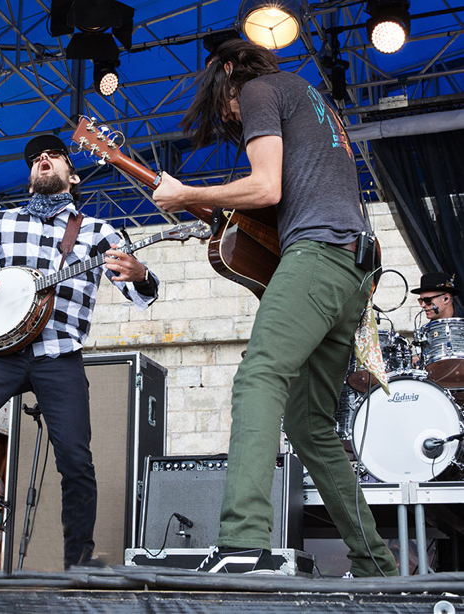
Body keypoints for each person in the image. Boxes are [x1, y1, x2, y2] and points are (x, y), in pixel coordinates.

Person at [152, 39, 397, 577]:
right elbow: (285, 201)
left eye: (224, 108)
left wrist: (189, 191)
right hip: (354, 275)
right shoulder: (313, 102)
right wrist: (218, 216)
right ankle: (376, 566)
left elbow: (265, 186)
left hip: (320, 256)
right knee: (310, 427)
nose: (229, 118)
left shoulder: (259, 88)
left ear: (228, 71)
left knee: (258, 376)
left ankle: (242, 541)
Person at [0, 134, 159, 569]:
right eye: (35, 157)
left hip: (59, 355)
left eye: (53, 155)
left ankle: (77, 564)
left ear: (71, 177)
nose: (42, 159)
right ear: (30, 176)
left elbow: (141, 296)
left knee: (76, 463)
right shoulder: (1, 221)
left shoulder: (97, 233)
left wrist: (141, 272)